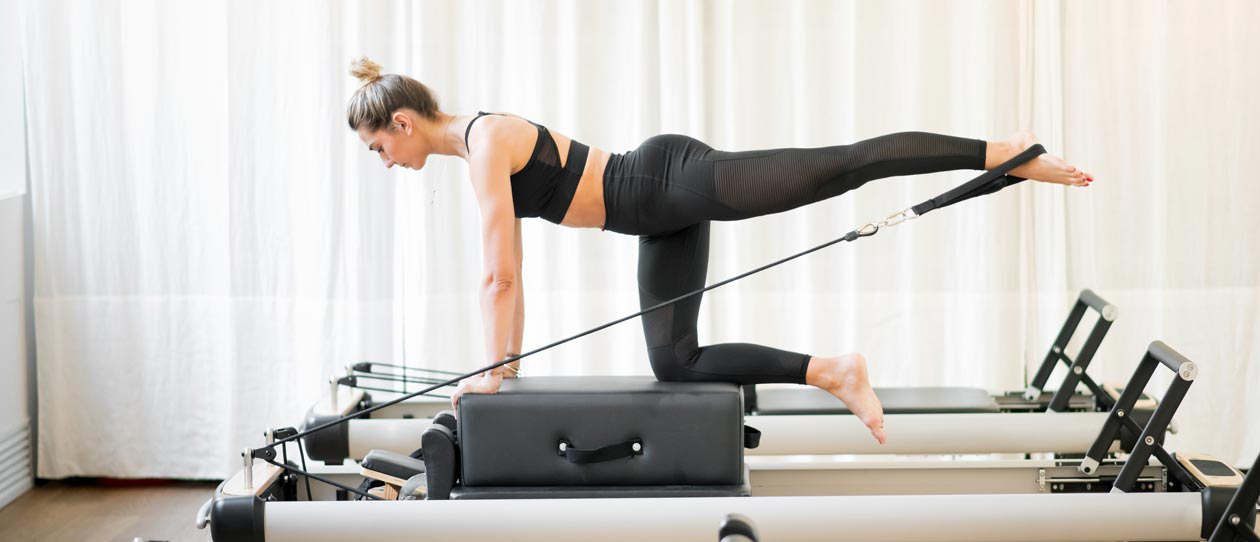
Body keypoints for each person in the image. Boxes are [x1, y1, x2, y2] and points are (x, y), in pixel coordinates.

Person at [345, 57, 1093, 444]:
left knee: (842, 164)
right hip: (654, 216)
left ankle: (1007, 152)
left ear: (405, 123)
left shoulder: (482, 144)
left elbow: (498, 278)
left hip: (671, 180)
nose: (385, 162)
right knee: (677, 364)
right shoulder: (476, 143)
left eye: (380, 146)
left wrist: (497, 374)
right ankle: (832, 371)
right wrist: (501, 372)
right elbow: (502, 278)